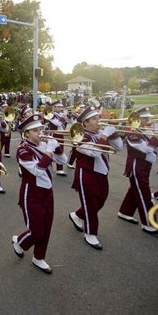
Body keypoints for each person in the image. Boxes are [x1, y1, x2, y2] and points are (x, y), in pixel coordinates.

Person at [11, 114, 67, 274]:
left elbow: (63, 161)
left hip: (47, 191)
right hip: (32, 193)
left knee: (47, 226)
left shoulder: (44, 145)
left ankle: (39, 257)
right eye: (35, 130)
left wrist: (57, 148)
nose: (40, 132)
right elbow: (37, 170)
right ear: (26, 133)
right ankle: (19, 242)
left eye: (41, 129)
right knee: (36, 230)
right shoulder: (22, 150)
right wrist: (49, 151)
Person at [68, 106, 123, 250]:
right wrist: (104, 136)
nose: (98, 120)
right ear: (85, 123)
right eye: (94, 118)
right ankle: (90, 233)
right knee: (91, 204)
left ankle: (77, 215)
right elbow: (95, 153)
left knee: (101, 200)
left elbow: (119, 147)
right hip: (86, 174)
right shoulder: (79, 136)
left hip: (101, 173)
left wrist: (114, 134)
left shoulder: (99, 134)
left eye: (97, 117)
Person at [118, 107, 158, 234]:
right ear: (137, 119)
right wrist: (157, 134)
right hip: (136, 166)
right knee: (144, 194)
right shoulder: (132, 132)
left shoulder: (146, 130)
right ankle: (149, 224)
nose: (148, 120)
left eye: (148, 118)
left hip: (145, 165)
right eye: (145, 118)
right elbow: (146, 149)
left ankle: (124, 212)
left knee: (135, 189)